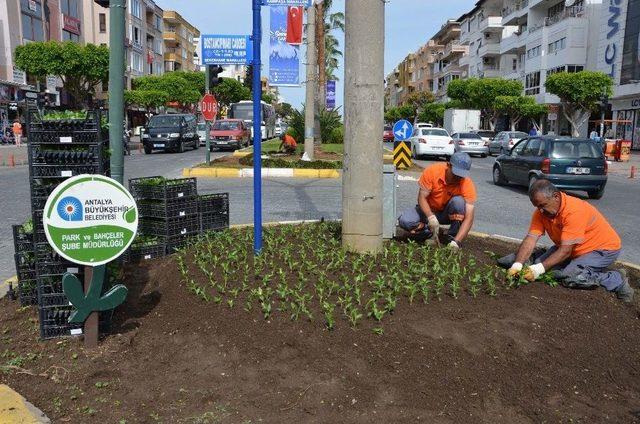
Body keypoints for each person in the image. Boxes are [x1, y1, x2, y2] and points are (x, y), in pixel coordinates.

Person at [498, 179, 634, 302]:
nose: (540, 210)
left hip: (602, 249)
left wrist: (537, 270)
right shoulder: (542, 212)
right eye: (537, 207)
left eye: (543, 205)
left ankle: (617, 279)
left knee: (570, 277)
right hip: (571, 246)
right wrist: (517, 265)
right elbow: (531, 238)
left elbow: (565, 251)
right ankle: (529, 259)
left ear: (556, 196)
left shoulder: (574, 211)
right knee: (546, 267)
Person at [398, 152, 476, 248]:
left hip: (446, 215)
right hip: (427, 211)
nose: (458, 178)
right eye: (455, 174)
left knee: (458, 202)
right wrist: (430, 217)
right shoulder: (433, 171)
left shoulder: (466, 183)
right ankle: (431, 233)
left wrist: (457, 241)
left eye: (461, 176)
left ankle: (452, 238)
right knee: (405, 221)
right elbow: (421, 198)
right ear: (448, 165)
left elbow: (469, 218)